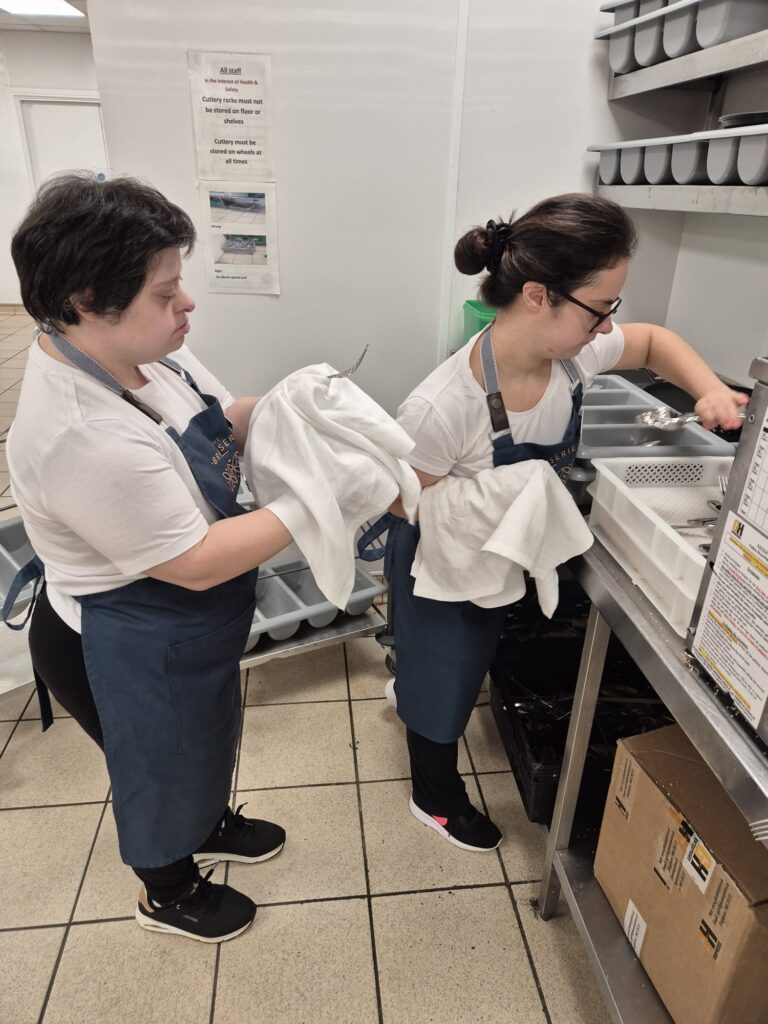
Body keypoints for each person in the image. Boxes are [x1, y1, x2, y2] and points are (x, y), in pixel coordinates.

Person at [383, 193, 747, 853]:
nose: (610, 327)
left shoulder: (574, 358)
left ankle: (416, 677)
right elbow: (403, 502)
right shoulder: (441, 406)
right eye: (600, 308)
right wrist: (506, 496)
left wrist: (709, 391)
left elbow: (655, 343)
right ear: (536, 295)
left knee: (467, 657)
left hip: (498, 552)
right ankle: (432, 794)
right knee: (446, 674)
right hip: (444, 558)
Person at [4, 174, 298, 943]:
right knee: (160, 765)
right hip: (120, 634)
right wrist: (317, 504)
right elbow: (198, 560)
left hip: (183, 621)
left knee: (203, 740)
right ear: (82, 302)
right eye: (166, 294)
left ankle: (207, 821)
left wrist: (287, 409)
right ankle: (167, 890)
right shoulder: (76, 433)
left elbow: (214, 419)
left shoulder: (151, 353)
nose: (186, 306)